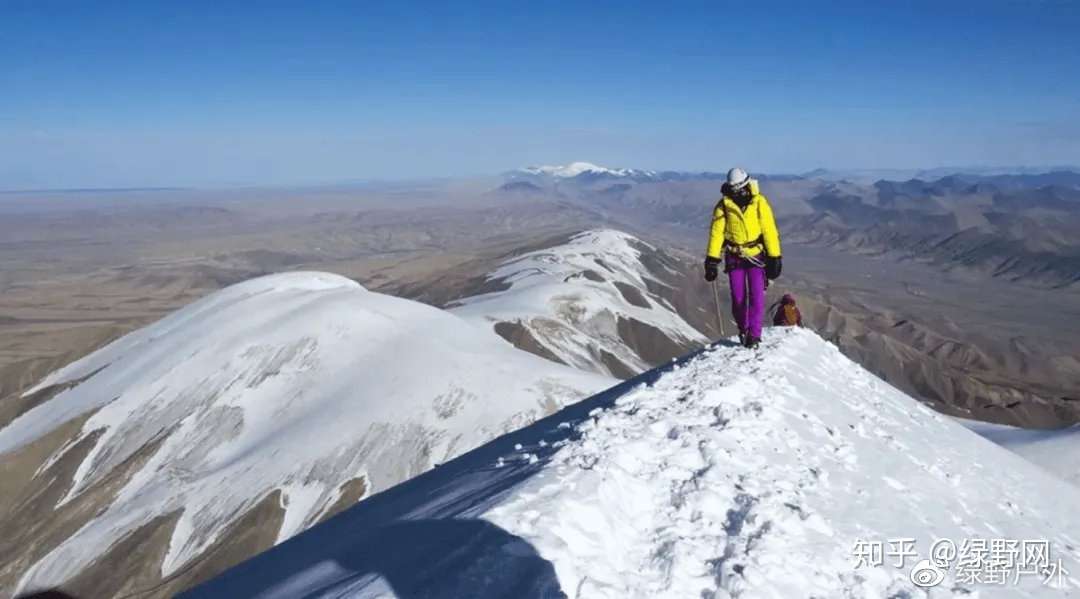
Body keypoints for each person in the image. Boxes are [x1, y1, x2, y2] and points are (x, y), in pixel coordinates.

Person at [703, 167, 782, 349]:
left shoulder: (759, 202)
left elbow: (769, 229)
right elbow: (717, 233)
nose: (737, 192)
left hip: (756, 255)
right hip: (735, 257)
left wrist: (774, 256)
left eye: (739, 187)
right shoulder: (723, 205)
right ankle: (743, 329)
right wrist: (712, 260)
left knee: (756, 297)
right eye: (734, 188)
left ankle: (754, 335)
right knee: (738, 297)